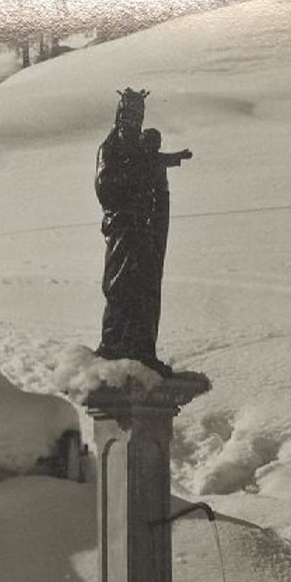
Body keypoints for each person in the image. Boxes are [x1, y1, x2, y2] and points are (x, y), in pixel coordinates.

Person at [95, 88, 191, 372]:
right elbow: (106, 187)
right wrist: (146, 167)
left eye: (138, 117)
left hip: (145, 232)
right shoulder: (111, 148)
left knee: (146, 291)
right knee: (121, 287)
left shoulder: (139, 149)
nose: (133, 123)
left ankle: (142, 348)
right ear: (119, 117)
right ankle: (114, 346)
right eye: (129, 116)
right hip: (125, 229)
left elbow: (149, 165)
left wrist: (162, 160)